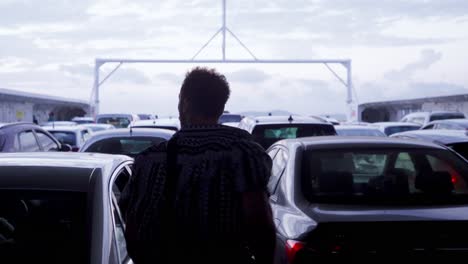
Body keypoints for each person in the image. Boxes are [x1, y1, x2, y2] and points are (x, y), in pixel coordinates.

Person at [121, 67, 276, 264]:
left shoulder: (148, 161)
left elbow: (133, 229)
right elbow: (259, 224)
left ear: (184, 103)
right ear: (220, 107)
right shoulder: (243, 154)